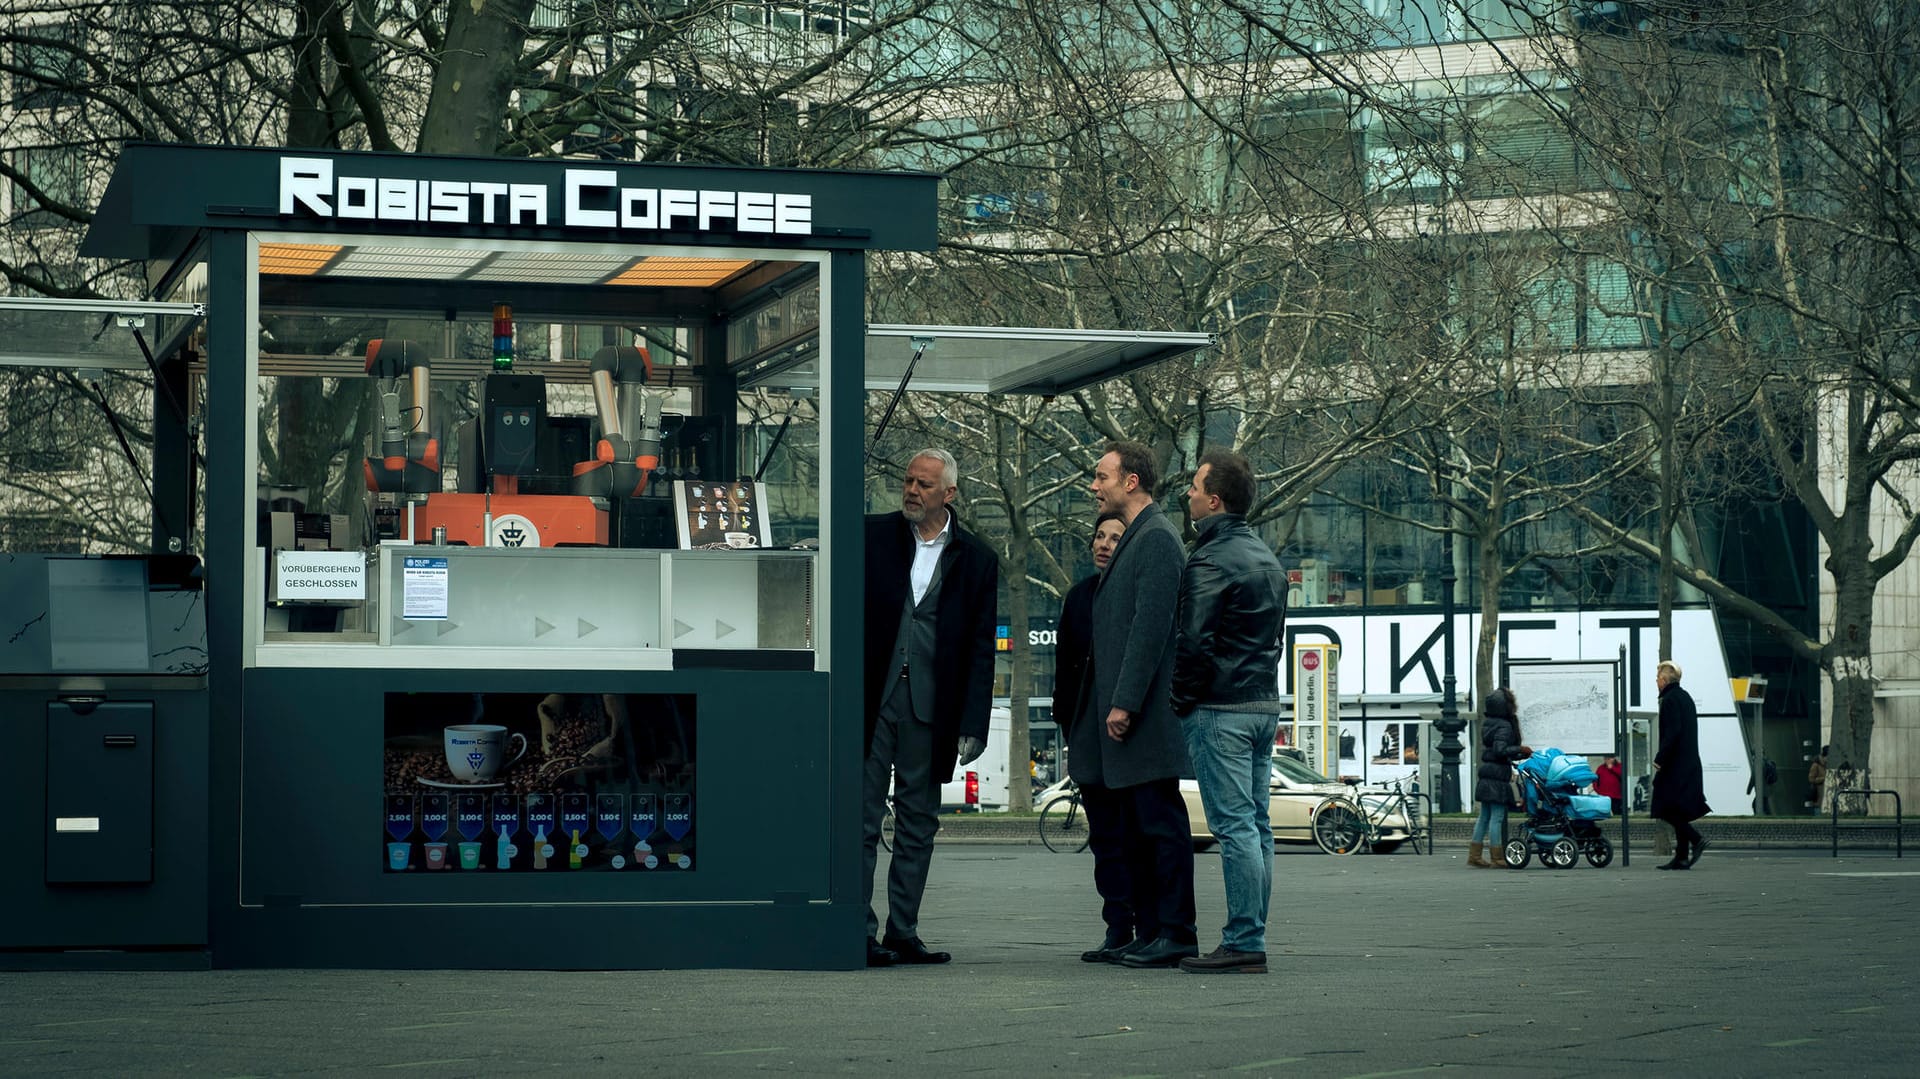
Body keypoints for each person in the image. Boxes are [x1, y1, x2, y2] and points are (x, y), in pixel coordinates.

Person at [861, 448, 999, 966]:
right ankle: (860, 930)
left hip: (930, 708)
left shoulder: (978, 559)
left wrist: (973, 723)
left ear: (950, 493)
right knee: (862, 819)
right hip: (873, 700)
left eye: (924, 484)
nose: (912, 491)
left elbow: (982, 649)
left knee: (920, 822)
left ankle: (903, 931)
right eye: (908, 480)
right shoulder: (871, 535)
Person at [1071, 440, 1197, 969]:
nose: (1093, 485)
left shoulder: (1157, 539)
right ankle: (1152, 931)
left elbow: (1150, 628)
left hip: (1144, 719)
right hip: (1132, 718)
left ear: (1130, 482)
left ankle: (1176, 933)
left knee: (1161, 828)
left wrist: (1123, 703)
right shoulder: (1142, 538)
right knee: (1142, 832)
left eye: (1101, 477)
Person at [1169, 450, 1287, 974]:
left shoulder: (1209, 558)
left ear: (1213, 500)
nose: (1188, 495)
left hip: (1220, 706)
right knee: (1257, 825)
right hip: (1263, 702)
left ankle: (1244, 940)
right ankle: (1250, 933)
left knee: (1235, 825)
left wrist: (1180, 698)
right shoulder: (1267, 558)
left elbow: (1193, 640)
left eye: (1194, 488)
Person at [1053, 511, 1134, 962]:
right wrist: (1066, 724)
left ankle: (1146, 923)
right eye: (1098, 537)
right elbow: (1065, 664)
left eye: (1115, 538)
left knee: (1133, 832)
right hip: (1085, 728)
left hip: (1127, 731)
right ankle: (1118, 926)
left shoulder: (1132, 592)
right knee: (1104, 836)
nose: (1103, 544)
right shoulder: (1079, 596)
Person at [1652, 659, 1711, 869]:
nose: (1656, 682)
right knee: (1678, 809)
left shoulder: (1669, 700)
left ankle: (1696, 840)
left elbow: (1673, 732)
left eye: (1658, 678)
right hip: (1689, 763)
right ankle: (1682, 856)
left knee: (1665, 807)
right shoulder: (1685, 697)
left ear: (1665, 680)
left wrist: (1660, 759)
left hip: (1675, 765)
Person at [1468, 687, 1531, 869]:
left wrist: (1518, 754)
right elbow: (1501, 750)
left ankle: (1475, 854)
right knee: (1496, 817)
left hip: (1488, 772)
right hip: (1497, 776)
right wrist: (1520, 749)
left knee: (1484, 817)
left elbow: (1496, 750)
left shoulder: (1489, 722)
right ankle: (1497, 857)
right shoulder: (1504, 725)